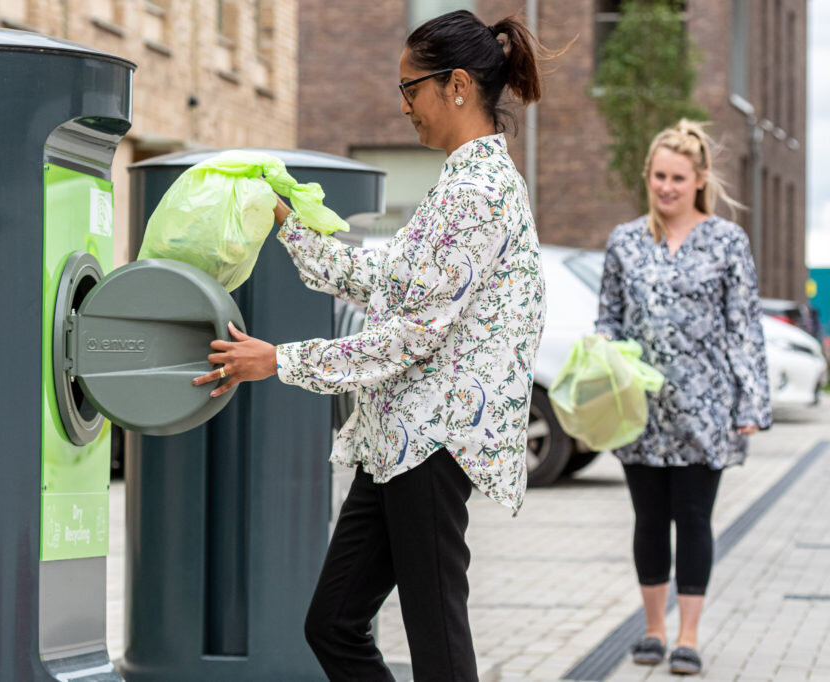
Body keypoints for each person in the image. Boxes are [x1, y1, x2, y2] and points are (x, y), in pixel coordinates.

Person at [191, 10, 551, 681]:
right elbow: (388, 283)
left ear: (458, 86)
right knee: (333, 625)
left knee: (437, 644)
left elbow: (410, 338)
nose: (405, 106)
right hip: (397, 442)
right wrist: (288, 225)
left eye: (409, 88)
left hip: (434, 443)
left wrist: (279, 360)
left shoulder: (479, 191)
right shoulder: (457, 182)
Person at [595, 120, 772, 676]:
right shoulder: (624, 241)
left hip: (706, 408)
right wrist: (599, 372)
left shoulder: (727, 242)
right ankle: (653, 630)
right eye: (658, 176)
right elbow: (609, 319)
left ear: (699, 180)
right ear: (647, 177)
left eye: (677, 177)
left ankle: (689, 635)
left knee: (693, 517)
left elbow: (744, 327)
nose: (666, 187)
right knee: (649, 518)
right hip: (639, 411)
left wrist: (751, 404)